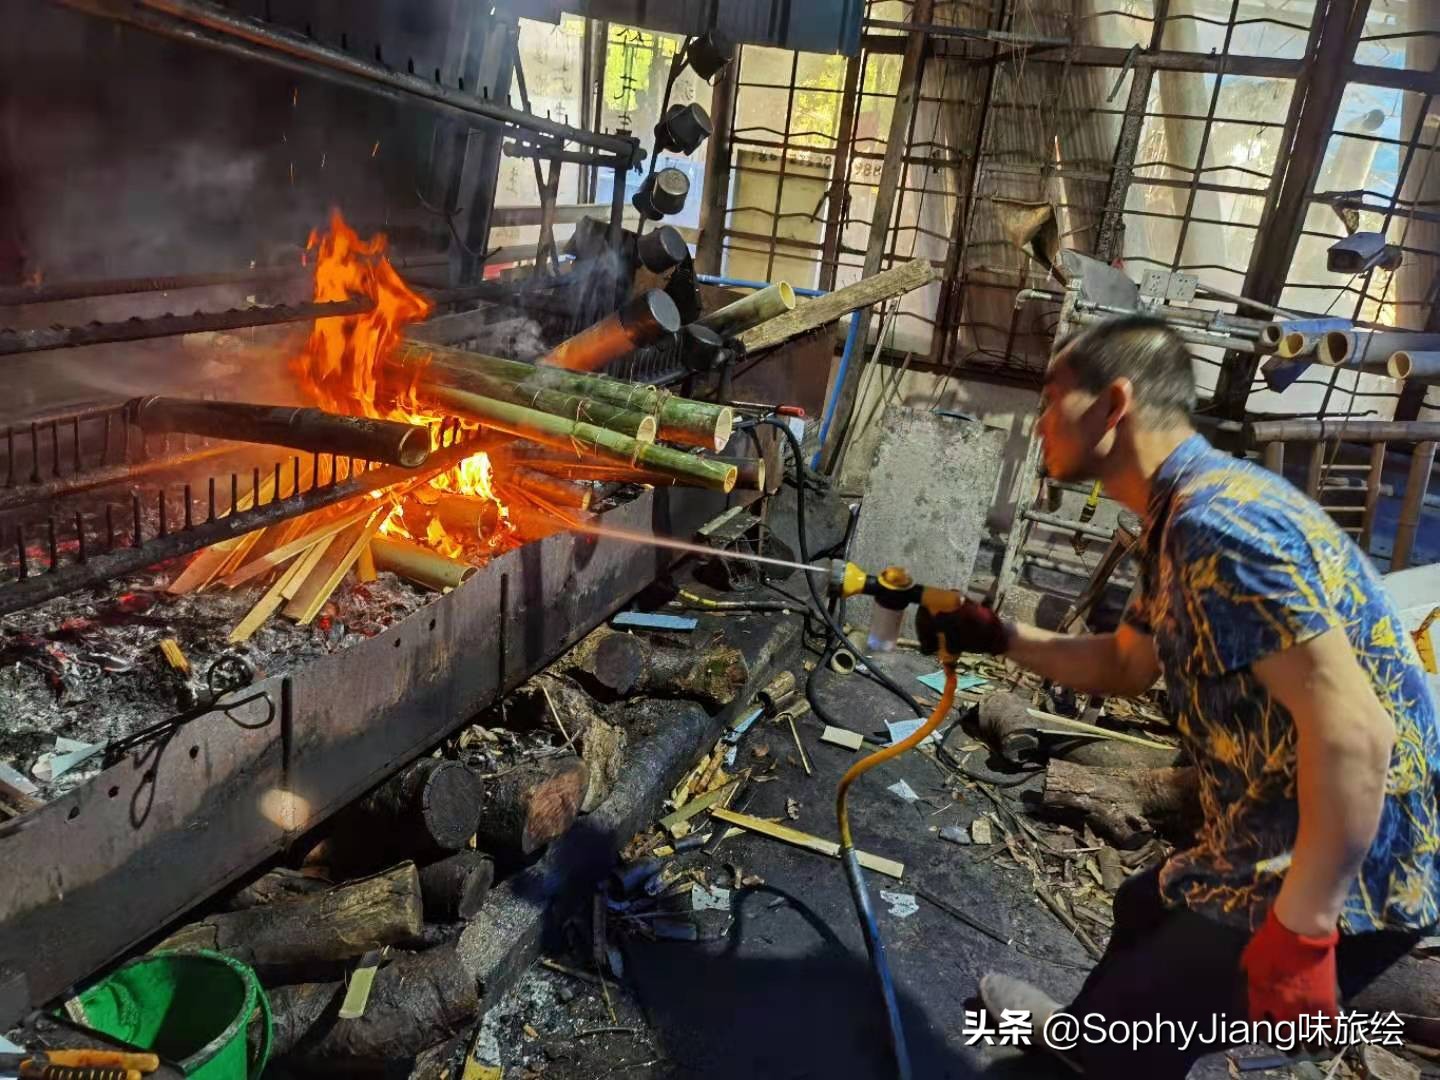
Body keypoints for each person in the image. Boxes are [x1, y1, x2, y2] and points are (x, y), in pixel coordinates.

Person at [916, 315, 1440, 1076]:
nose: (1037, 422)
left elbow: (1357, 733)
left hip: (1351, 846)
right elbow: (1127, 666)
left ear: (1113, 404)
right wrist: (1000, 637)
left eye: (1051, 397)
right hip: (1274, 821)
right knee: (1143, 911)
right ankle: (1092, 1042)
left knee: (1139, 1022)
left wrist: (1304, 931)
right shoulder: (1175, 520)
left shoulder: (1216, 523)